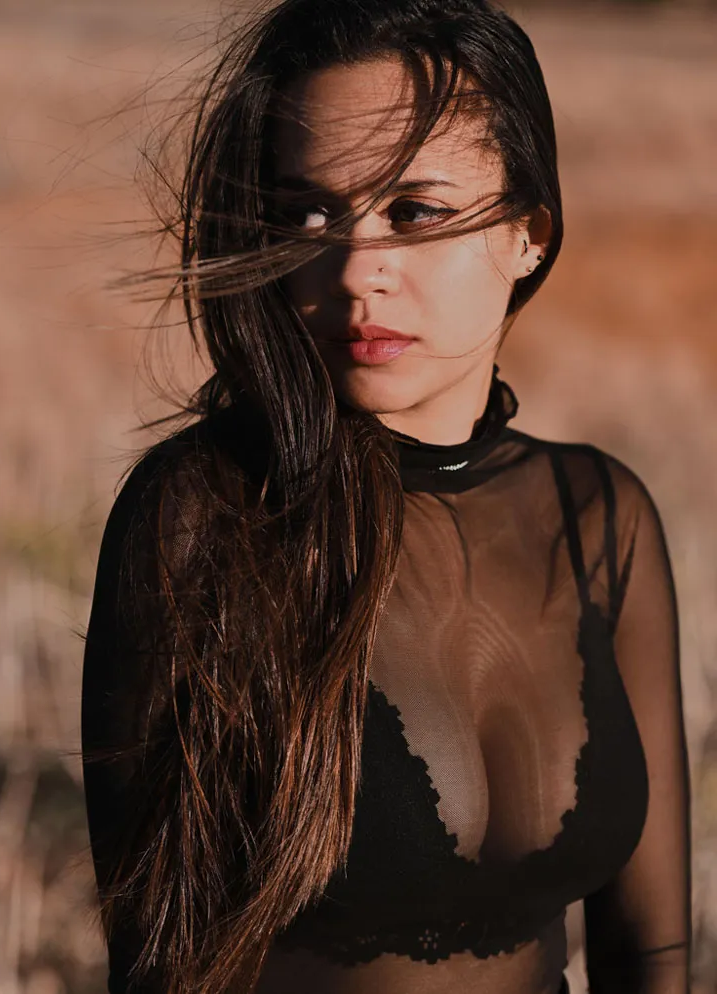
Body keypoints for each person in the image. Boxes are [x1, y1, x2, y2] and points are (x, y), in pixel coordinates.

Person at [80, 1, 692, 992]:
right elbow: (161, 963)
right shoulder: (205, 515)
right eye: (306, 215)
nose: (356, 271)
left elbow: (653, 955)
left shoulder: (596, 517)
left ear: (527, 235)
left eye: (416, 213)